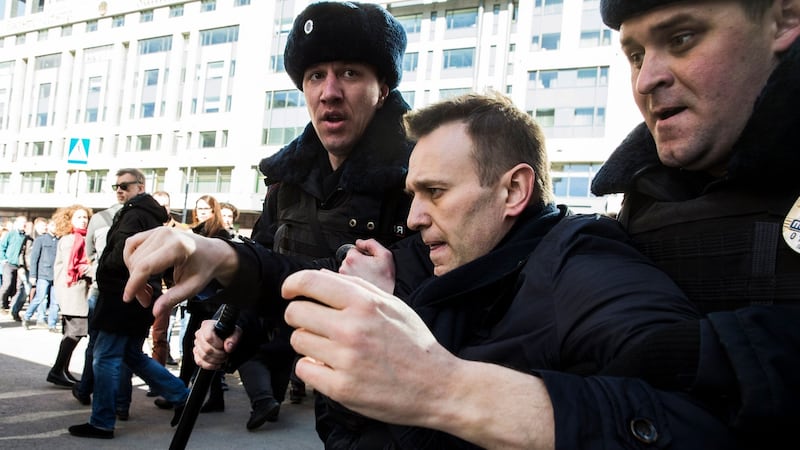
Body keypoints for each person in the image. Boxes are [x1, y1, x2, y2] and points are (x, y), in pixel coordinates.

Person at [122, 92, 736, 448]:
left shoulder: (586, 267)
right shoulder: (429, 259)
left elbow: (702, 414)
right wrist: (225, 259)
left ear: (514, 190)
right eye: (412, 193)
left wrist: (450, 391)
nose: (414, 217)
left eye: (436, 192)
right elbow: (306, 273)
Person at [240, 0, 414, 431]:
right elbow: (263, 265)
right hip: (328, 403)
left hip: (403, 406)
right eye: (316, 75)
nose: (329, 91)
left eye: (350, 73)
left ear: (384, 89)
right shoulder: (285, 182)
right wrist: (229, 326)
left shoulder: (423, 177)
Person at [68, 168, 188, 440]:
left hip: (123, 295)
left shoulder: (135, 213)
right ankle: (183, 397)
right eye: (116, 186)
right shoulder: (147, 213)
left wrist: (106, 270)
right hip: (134, 295)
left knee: (106, 357)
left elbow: (123, 253)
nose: (119, 190)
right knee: (131, 356)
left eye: (125, 185)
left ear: (140, 186)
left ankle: (101, 423)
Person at [168, 194, 231, 414]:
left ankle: (180, 395)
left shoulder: (220, 234)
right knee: (194, 347)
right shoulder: (196, 231)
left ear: (214, 211)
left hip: (212, 300)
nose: (202, 212)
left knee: (196, 346)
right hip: (199, 298)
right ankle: (205, 396)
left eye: (206, 209)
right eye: (199, 209)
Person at [72, 200, 123, 405]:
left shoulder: (100, 221)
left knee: (98, 345)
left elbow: (89, 253)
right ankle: (119, 402)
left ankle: (86, 389)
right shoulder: (140, 222)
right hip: (119, 291)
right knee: (122, 349)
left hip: (102, 288)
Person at [47, 205, 93, 388]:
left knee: (72, 333)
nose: (83, 220)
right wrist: (96, 271)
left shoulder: (79, 238)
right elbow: (77, 267)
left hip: (75, 292)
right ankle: (57, 370)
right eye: (78, 217)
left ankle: (62, 370)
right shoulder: (71, 240)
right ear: (69, 220)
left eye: (85, 217)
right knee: (75, 333)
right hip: (73, 293)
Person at [23, 219, 58, 328]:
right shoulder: (40, 240)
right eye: (52, 225)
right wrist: (33, 275)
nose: (55, 228)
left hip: (56, 275)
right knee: (40, 297)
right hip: (43, 274)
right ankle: (27, 316)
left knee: (55, 302)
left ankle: (52, 324)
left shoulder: (59, 240)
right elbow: (34, 259)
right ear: (48, 227)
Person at [0, 216, 30, 319]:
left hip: (20, 266)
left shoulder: (26, 237)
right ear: (16, 223)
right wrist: (3, 259)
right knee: (7, 284)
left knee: (19, 288)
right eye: (22, 223)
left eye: (25, 223)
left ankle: (14, 310)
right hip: (9, 263)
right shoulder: (10, 234)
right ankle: (1, 304)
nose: (24, 225)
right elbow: (2, 246)